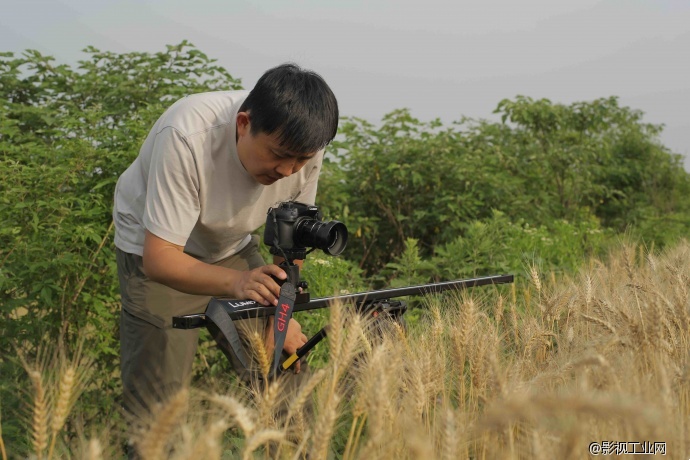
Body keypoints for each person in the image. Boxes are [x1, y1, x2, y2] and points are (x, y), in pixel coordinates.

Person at [112, 63, 339, 434]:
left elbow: (291, 239)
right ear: (243, 124)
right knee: (158, 415)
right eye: (279, 154)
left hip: (232, 248)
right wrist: (237, 284)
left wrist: (282, 314)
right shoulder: (187, 134)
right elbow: (160, 259)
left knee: (285, 384)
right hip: (159, 253)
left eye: (301, 160)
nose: (288, 170)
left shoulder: (304, 148)